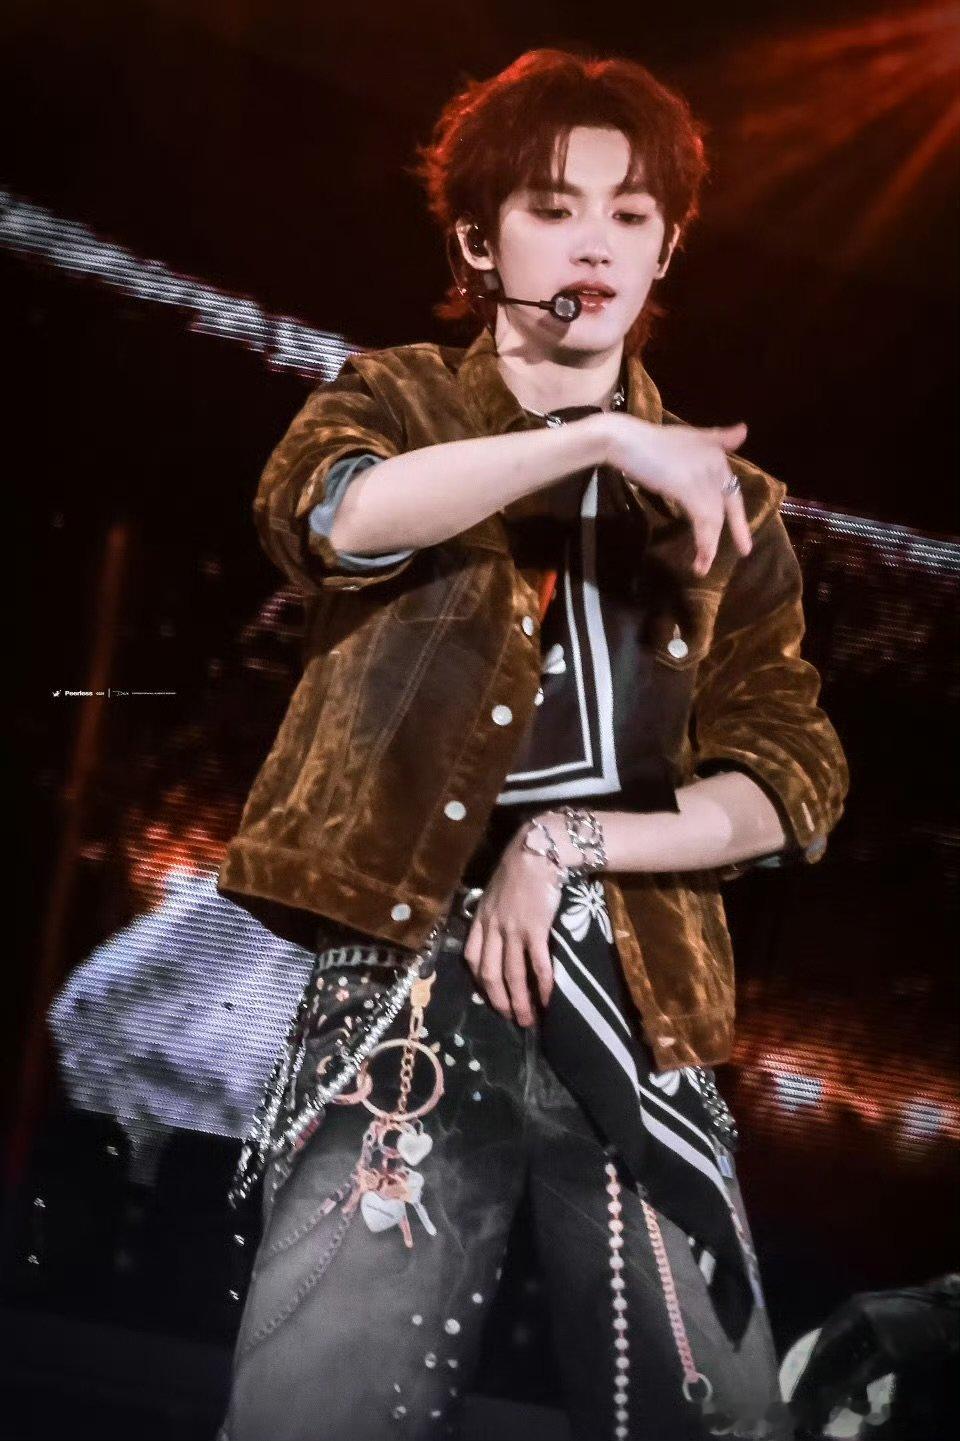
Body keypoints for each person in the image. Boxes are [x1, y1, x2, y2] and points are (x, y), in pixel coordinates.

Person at [214, 47, 849, 1441]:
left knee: (714, 1416)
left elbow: (792, 779)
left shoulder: (734, 504)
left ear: (668, 246)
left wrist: (564, 843)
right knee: (313, 1414)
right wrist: (594, 442)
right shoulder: (397, 401)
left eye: (631, 214)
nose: (595, 244)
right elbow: (334, 517)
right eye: (554, 208)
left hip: (637, 1002)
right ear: (476, 240)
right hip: (404, 990)